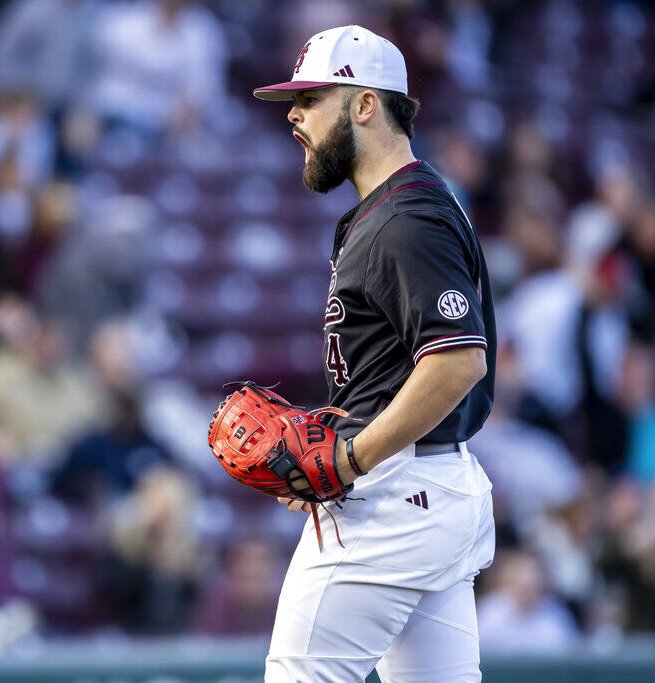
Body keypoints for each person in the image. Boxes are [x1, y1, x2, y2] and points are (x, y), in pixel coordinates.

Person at [250, 25, 497, 682]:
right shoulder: (393, 209)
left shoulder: (406, 215)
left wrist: (348, 458)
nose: (294, 116)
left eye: (312, 99)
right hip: (431, 488)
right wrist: (337, 438)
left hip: (393, 500)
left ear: (365, 104)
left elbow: (456, 360)